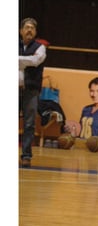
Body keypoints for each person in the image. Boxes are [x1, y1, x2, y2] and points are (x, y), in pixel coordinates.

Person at [19, 17, 47, 168]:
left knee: (29, 124)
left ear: (35, 32)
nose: (29, 30)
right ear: (20, 31)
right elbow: (29, 61)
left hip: (31, 90)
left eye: (32, 28)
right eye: (26, 27)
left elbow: (36, 61)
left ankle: (26, 156)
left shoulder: (40, 47)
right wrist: (25, 60)